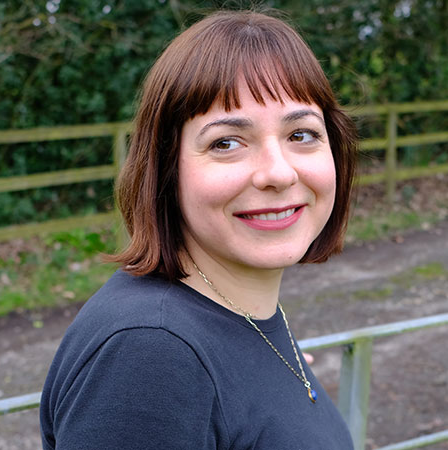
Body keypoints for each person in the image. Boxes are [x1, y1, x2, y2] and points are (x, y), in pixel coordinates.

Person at [40, 9, 357, 450]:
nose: (278, 173)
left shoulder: (241, 314)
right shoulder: (152, 356)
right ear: (166, 168)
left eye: (301, 134)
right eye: (226, 142)